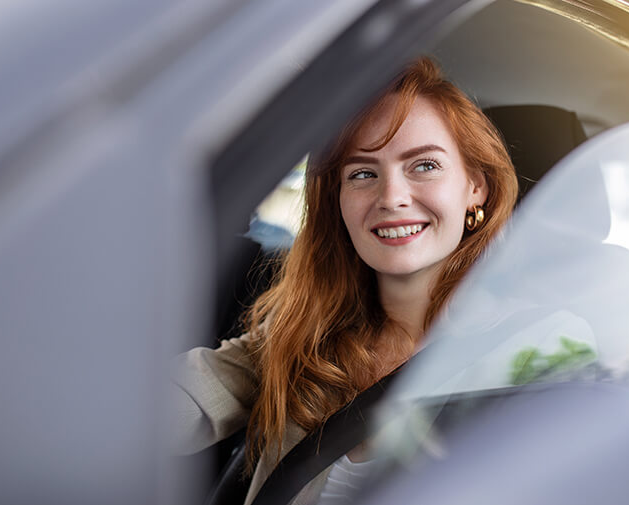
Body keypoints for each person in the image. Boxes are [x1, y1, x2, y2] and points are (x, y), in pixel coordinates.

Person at [172, 56, 518, 505]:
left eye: (424, 165)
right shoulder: (301, 333)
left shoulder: (537, 347)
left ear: (477, 186)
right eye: (362, 173)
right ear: (337, 201)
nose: (392, 197)